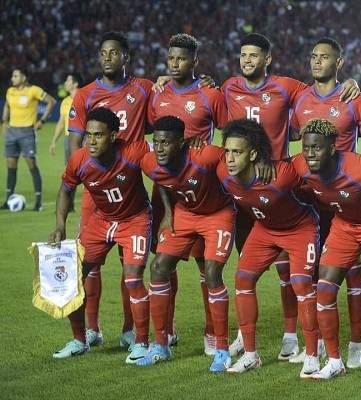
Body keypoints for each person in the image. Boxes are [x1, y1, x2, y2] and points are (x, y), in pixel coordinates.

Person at [220, 33, 359, 361]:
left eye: (254, 55)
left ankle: (302, 339)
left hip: (282, 182)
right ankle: (261, 336)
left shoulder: (288, 87)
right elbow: (200, 105)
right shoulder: (227, 87)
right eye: (243, 55)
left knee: (305, 272)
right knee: (251, 267)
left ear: (267, 59)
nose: (248, 60)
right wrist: (166, 83)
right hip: (247, 188)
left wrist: (348, 82)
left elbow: (323, 90)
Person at [67, 30, 154, 351]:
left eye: (114, 52)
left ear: (126, 57)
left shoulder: (143, 89)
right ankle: (92, 329)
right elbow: (76, 143)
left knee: (129, 263)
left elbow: (173, 94)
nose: (107, 57)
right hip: (95, 192)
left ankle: (130, 330)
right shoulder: (86, 94)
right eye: (103, 52)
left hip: (130, 186)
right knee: (90, 264)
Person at [289, 37, 361, 368]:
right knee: (313, 273)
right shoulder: (301, 100)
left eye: (325, 57)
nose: (317, 61)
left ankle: (354, 345)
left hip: (345, 198)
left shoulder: (353, 97)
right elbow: (297, 140)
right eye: (313, 56)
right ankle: (319, 344)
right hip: (313, 200)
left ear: (339, 63)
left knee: (351, 273)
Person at [216, 118, 319, 379]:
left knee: (301, 284)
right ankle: (250, 355)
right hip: (265, 229)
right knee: (242, 279)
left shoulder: (281, 175)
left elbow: (311, 167)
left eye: (237, 152)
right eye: (226, 151)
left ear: (253, 154)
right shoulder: (223, 175)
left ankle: (312, 355)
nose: (229, 158)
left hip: (300, 229)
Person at [48, 107, 151, 364]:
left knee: (133, 278)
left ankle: (142, 343)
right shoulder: (79, 159)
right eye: (88, 135)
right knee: (73, 276)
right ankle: (80, 340)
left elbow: (166, 154)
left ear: (114, 136)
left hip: (135, 219)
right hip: (101, 220)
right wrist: (60, 226)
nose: (91, 141)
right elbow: (65, 190)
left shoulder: (133, 151)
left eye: (98, 136)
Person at [147, 33, 228, 356]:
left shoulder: (210, 94)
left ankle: (212, 331)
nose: (175, 64)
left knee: (202, 264)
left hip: (202, 185)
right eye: (171, 59)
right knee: (164, 261)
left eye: (181, 59)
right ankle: (166, 331)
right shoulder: (158, 94)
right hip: (167, 189)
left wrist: (203, 145)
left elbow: (229, 132)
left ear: (195, 62)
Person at [291, 118, 361, 383]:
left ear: (332, 149)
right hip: (344, 226)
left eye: (317, 149)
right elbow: (282, 171)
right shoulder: (301, 165)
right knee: (324, 287)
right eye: (306, 148)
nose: (310, 155)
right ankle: (334, 361)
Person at [136, 115, 235, 371]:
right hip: (185, 214)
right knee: (158, 267)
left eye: (166, 143)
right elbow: (160, 181)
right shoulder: (150, 161)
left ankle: (222, 350)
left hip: (217, 214)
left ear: (181, 143)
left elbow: (236, 156)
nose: (158, 148)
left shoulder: (205, 156)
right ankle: (161, 345)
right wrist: (168, 212)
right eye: (155, 142)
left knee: (212, 272)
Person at [1, 66, 56, 211]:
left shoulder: (33, 90)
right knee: (11, 167)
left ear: (24, 78)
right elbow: (7, 105)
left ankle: (38, 202)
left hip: (27, 132)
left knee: (32, 166)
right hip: (12, 132)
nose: (12, 78)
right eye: (12, 76)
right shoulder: (10, 91)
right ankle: (7, 200)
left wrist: (42, 120)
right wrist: (3, 122)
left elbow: (51, 101)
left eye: (15, 76)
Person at [49, 72, 84, 212]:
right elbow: (61, 122)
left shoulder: (84, 97)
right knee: (71, 171)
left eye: (68, 80)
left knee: (88, 170)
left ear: (75, 83)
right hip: (68, 138)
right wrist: (53, 142)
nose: (65, 82)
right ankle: (70, 205)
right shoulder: (64, 101)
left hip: (83, 138)